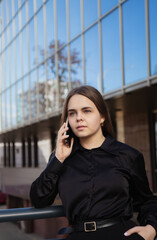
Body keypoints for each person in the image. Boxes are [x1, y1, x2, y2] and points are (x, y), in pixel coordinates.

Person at [30, 85, 157, 240]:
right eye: (72, 113)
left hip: (120, 235)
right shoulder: (60, 158)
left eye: (87, 111)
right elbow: (38, 199)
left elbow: (146, 201)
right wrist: (58, 159)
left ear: (102, 116)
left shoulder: (127, 155)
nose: (79, 118)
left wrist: (151, 228)